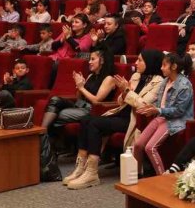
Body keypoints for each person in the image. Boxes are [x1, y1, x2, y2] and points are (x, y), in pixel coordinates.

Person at [64, 49, 164, 188]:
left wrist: (127, 91)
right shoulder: (136, 76)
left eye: (140, 60)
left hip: (134, 120)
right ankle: (81, 168)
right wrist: (124, 92)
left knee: (94, 124)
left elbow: (143, 105)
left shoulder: (159, 82)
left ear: (151, 62)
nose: (136, 63)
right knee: (86, 120)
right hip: (122, 112)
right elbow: (120, 102)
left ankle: (92, 173)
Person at [132, 52, 194, 176]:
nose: (161, 68)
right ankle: (137, 176)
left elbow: (179, 111)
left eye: (164, 65)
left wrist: (158, 110)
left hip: (176, 120)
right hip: (162, 117)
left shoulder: (184, 85)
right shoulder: (165, 81)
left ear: (174, 67)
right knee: (138, 145)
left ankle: (161, 178)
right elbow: (160, 103)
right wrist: (150, 107)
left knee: (150, 147)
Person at [41, 46, 117, 138]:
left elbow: (96, 100)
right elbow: (79, 98)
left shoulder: (109, 79)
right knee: (55, 100)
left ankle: (43, 136)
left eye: (93, 59)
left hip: (92, 110)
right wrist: (79, 86)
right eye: (90, 59)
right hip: (80, 105)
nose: (89, 62)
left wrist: (82, 88)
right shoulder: (90, 76)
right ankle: (43, 131)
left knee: (58, 114)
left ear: (102, 61)